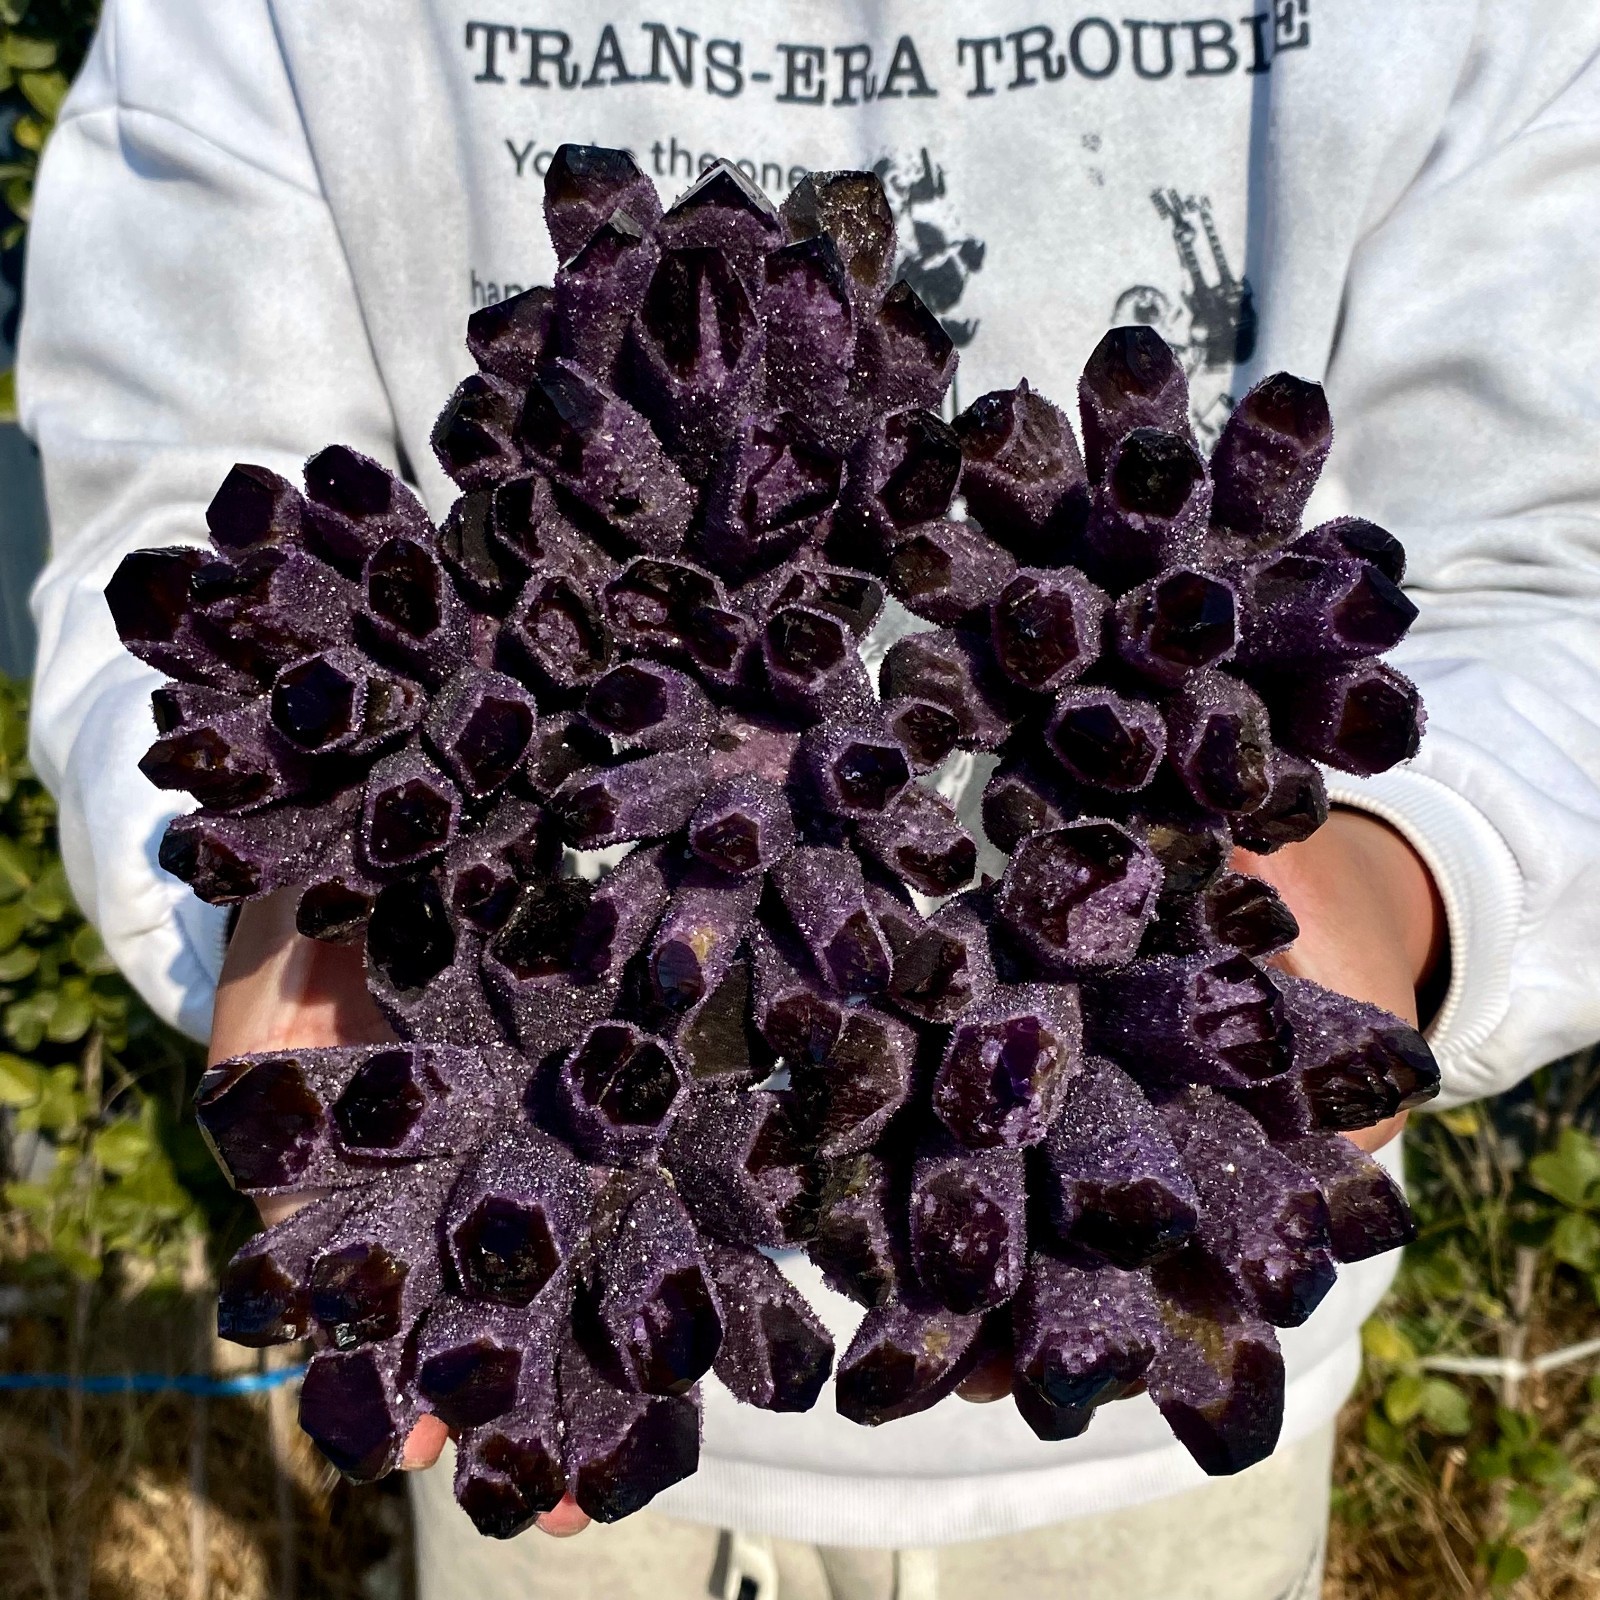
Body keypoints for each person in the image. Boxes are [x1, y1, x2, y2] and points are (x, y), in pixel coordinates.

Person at [18, 2, 1600, 1596]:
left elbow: (1562, 558)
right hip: (589, 1392)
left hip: (1118, 1458)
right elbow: (164, 493)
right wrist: (303, 887)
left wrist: (1406, 877)